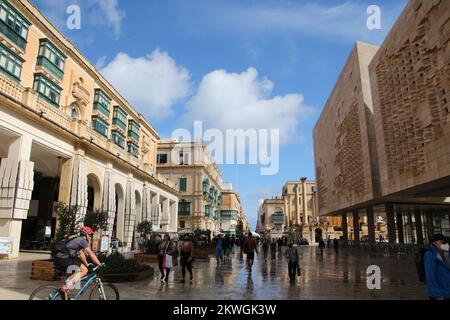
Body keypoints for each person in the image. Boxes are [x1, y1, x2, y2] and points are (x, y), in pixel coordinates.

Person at [53, 226, 103, 299]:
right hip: (63, 258)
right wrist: (99, 264)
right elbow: (90, 253)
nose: (91, 237)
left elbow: (80, 254)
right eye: (90, 235)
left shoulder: (77, 239)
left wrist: (87, 264)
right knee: (84, 270)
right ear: (86, 235)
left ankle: (65, 291)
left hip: (59, 258)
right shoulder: (82, 241)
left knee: (71, 276)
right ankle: (65, 287)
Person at [424, 234, 450, 300]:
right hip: (440, 293)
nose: (443, 244)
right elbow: (430, 275)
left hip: (447, 292)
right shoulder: (430, 254)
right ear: (435, 243)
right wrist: (437, 294)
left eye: (444, 242)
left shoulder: (445, 253)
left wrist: (447, 252)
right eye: (441, 242)